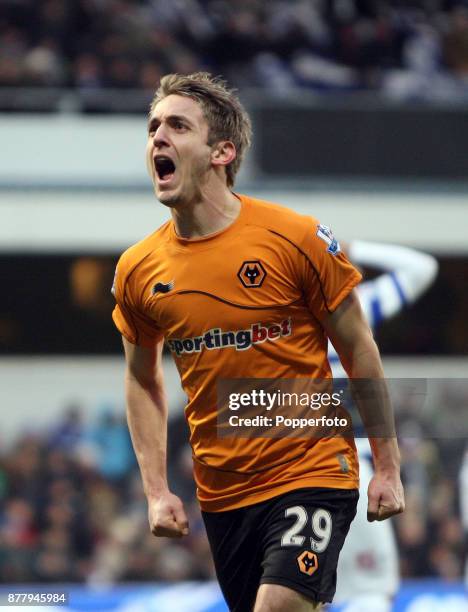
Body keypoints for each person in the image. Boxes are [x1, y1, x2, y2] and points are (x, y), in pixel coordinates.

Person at [111, 72, 404, 612]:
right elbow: (140, 377)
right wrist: (155, 490)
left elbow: (359, 348)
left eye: (178, 125)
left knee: (279, 607)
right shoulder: (138, 269)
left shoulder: (295, 238)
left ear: (222, 151)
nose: (157, 137)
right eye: (153, 126)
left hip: (312, 469)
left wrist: (386, 466)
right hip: (224, 497)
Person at [331, 241, 438, 612]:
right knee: (370, 590)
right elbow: (421, 267)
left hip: (285, 467)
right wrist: (358, 247)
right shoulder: (351, 303)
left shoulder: (272, 313)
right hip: (346, 463)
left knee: (293, 590)